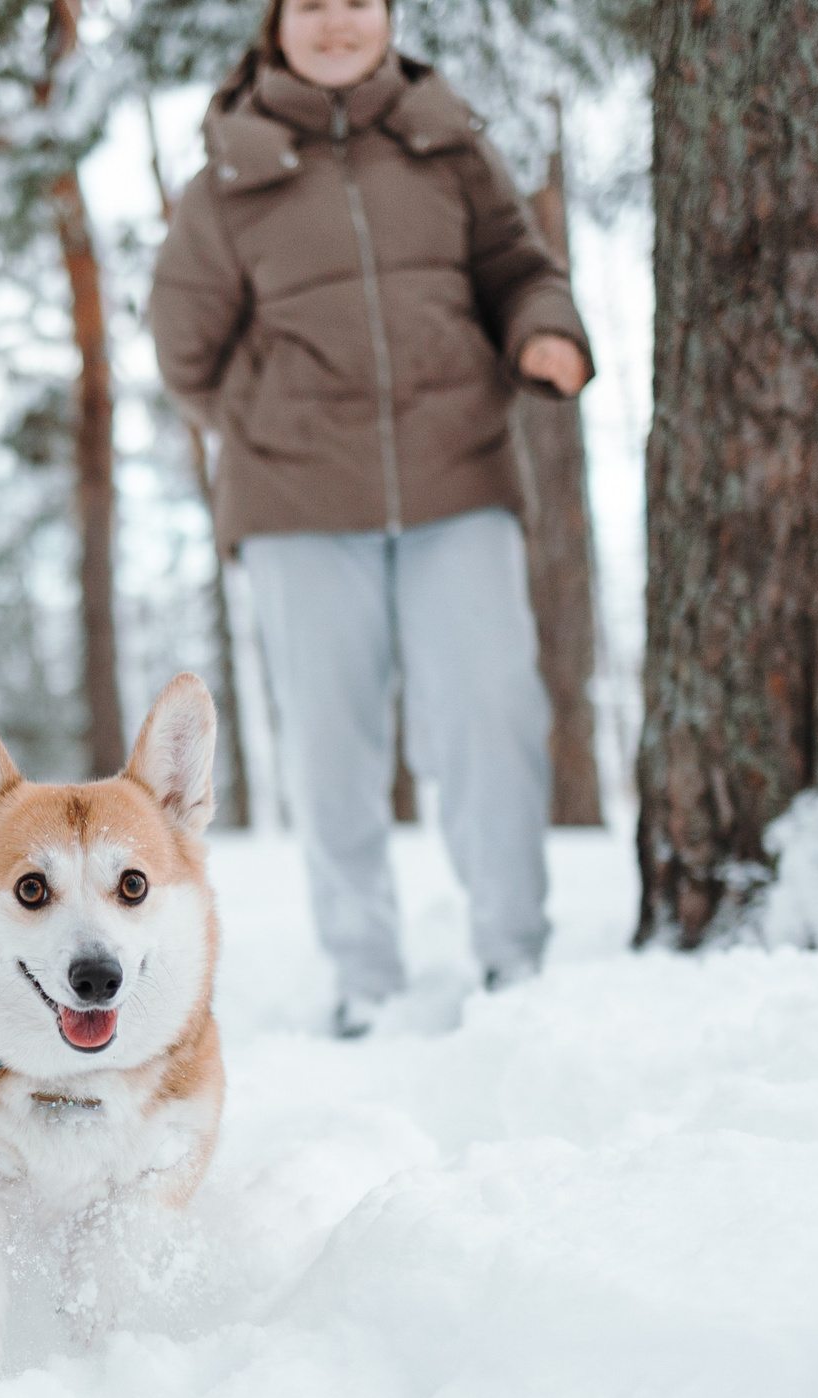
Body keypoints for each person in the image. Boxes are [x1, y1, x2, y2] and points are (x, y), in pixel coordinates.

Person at [148, 0, 593, 1037]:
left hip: (459, 477)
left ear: (390, 16)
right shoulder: (227, 176)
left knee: (492, 714)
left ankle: (513, 958)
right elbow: (184, 347)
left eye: (359, 0)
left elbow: (519, 272)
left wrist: (544, 335)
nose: (337, 22)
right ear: (275, 24)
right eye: (312, 3)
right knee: (331, 745)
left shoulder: (448, 142)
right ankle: (363, 978)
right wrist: (268, 427)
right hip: (298, 505)